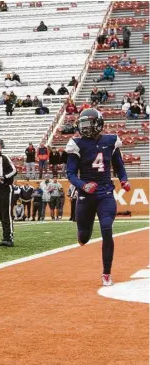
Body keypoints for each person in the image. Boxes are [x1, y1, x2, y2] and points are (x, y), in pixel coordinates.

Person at [66, 108, 130, 286]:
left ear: (98, 124)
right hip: (86, 195)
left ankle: (106, 273)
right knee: (84, 237)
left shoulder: (111, 141)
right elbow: (70, 174)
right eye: (83, 124)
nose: (85, 128)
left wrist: (124, 180)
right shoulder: (77, 144)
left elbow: (119, 166)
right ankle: (82, 235)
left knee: (107, 228)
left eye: (88, 124)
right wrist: (83, 185)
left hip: (105, 192)